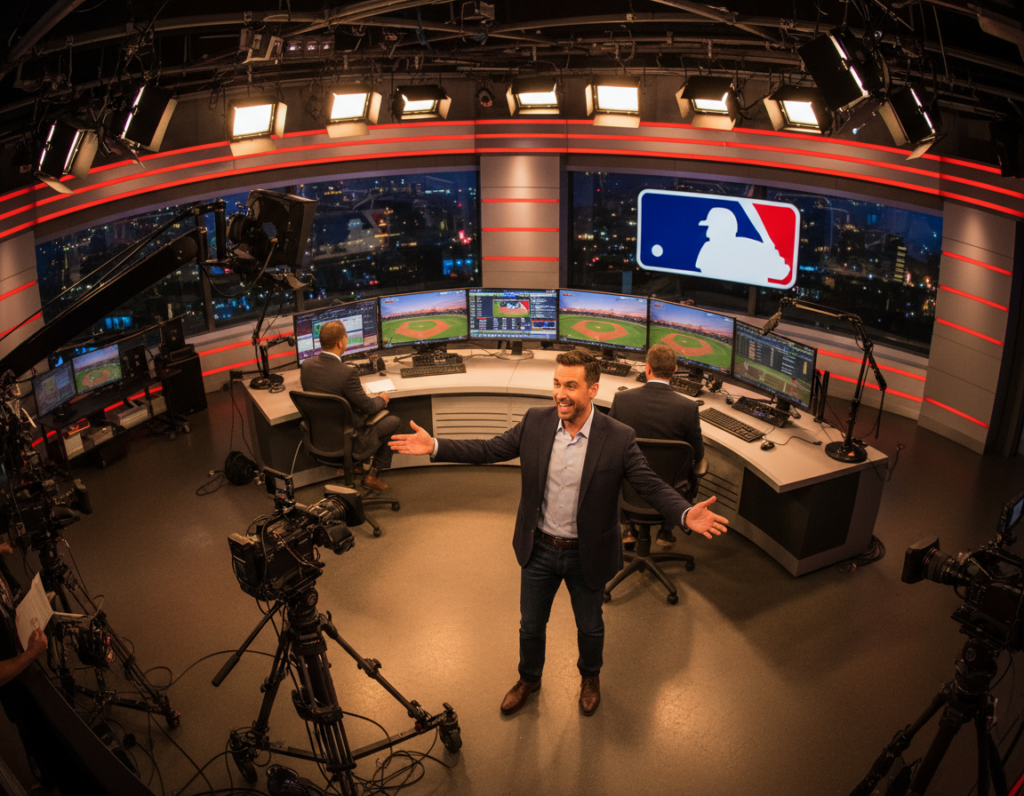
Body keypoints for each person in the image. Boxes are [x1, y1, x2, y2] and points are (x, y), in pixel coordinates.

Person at [389, 349, 727, 717]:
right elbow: (489, 449)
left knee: (590, 627)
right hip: (540, 549)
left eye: (570, 386)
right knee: (531, 625)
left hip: (588, 553)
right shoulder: (536, 422)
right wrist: (436, 445)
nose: (560, 394)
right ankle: (529, 679)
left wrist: (683, 510)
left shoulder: (618, 436)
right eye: (556, 384)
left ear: (592, 389)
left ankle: (589, 678)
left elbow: (650, 484)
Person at [609, 343, 705, 547]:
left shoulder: (622, 399)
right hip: (669, 493)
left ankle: (630, 529)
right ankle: (666, 531)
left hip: (629, 489)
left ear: (647, 368)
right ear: (675, 371)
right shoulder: (688, 408)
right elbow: (697, 453)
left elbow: (608, 442)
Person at [300, 320, 403, 492]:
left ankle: (356, 467)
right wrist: (382, 399)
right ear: (341, 343)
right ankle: (373, 475)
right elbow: (369, 407)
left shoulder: (307, 366)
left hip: (319, 441)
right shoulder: (347, 373)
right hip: (350, 440)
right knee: (394, 421)